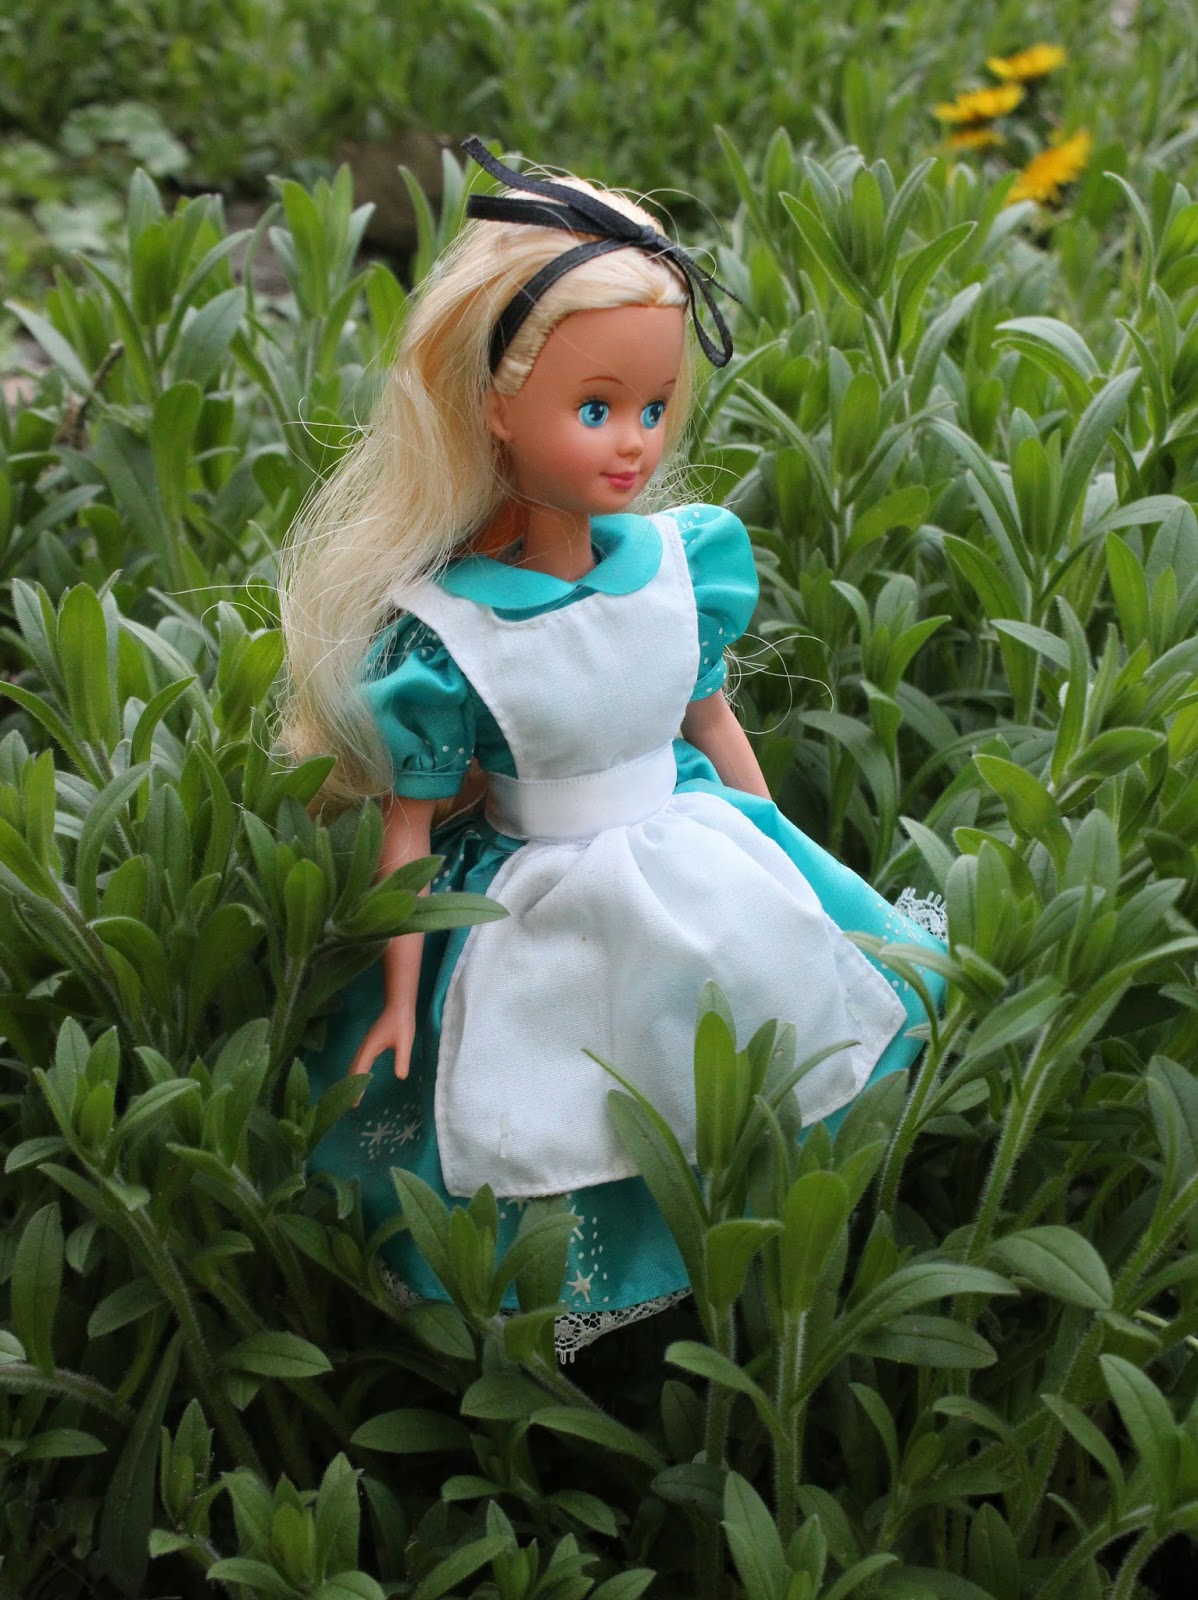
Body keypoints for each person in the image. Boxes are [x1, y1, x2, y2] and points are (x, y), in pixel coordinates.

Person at [280, 141, 945, 1355]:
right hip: (536, 906)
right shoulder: (449, 635)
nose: (633, 441)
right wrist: (398, 994)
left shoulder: (684, 565)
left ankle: (761, 1271)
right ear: (493, 407)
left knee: (765, 1042)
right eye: (594, 410)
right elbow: (407, 833)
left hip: (696, 856)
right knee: (559, 1103)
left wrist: (785, 857)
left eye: (650, 407)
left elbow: (711, 724)